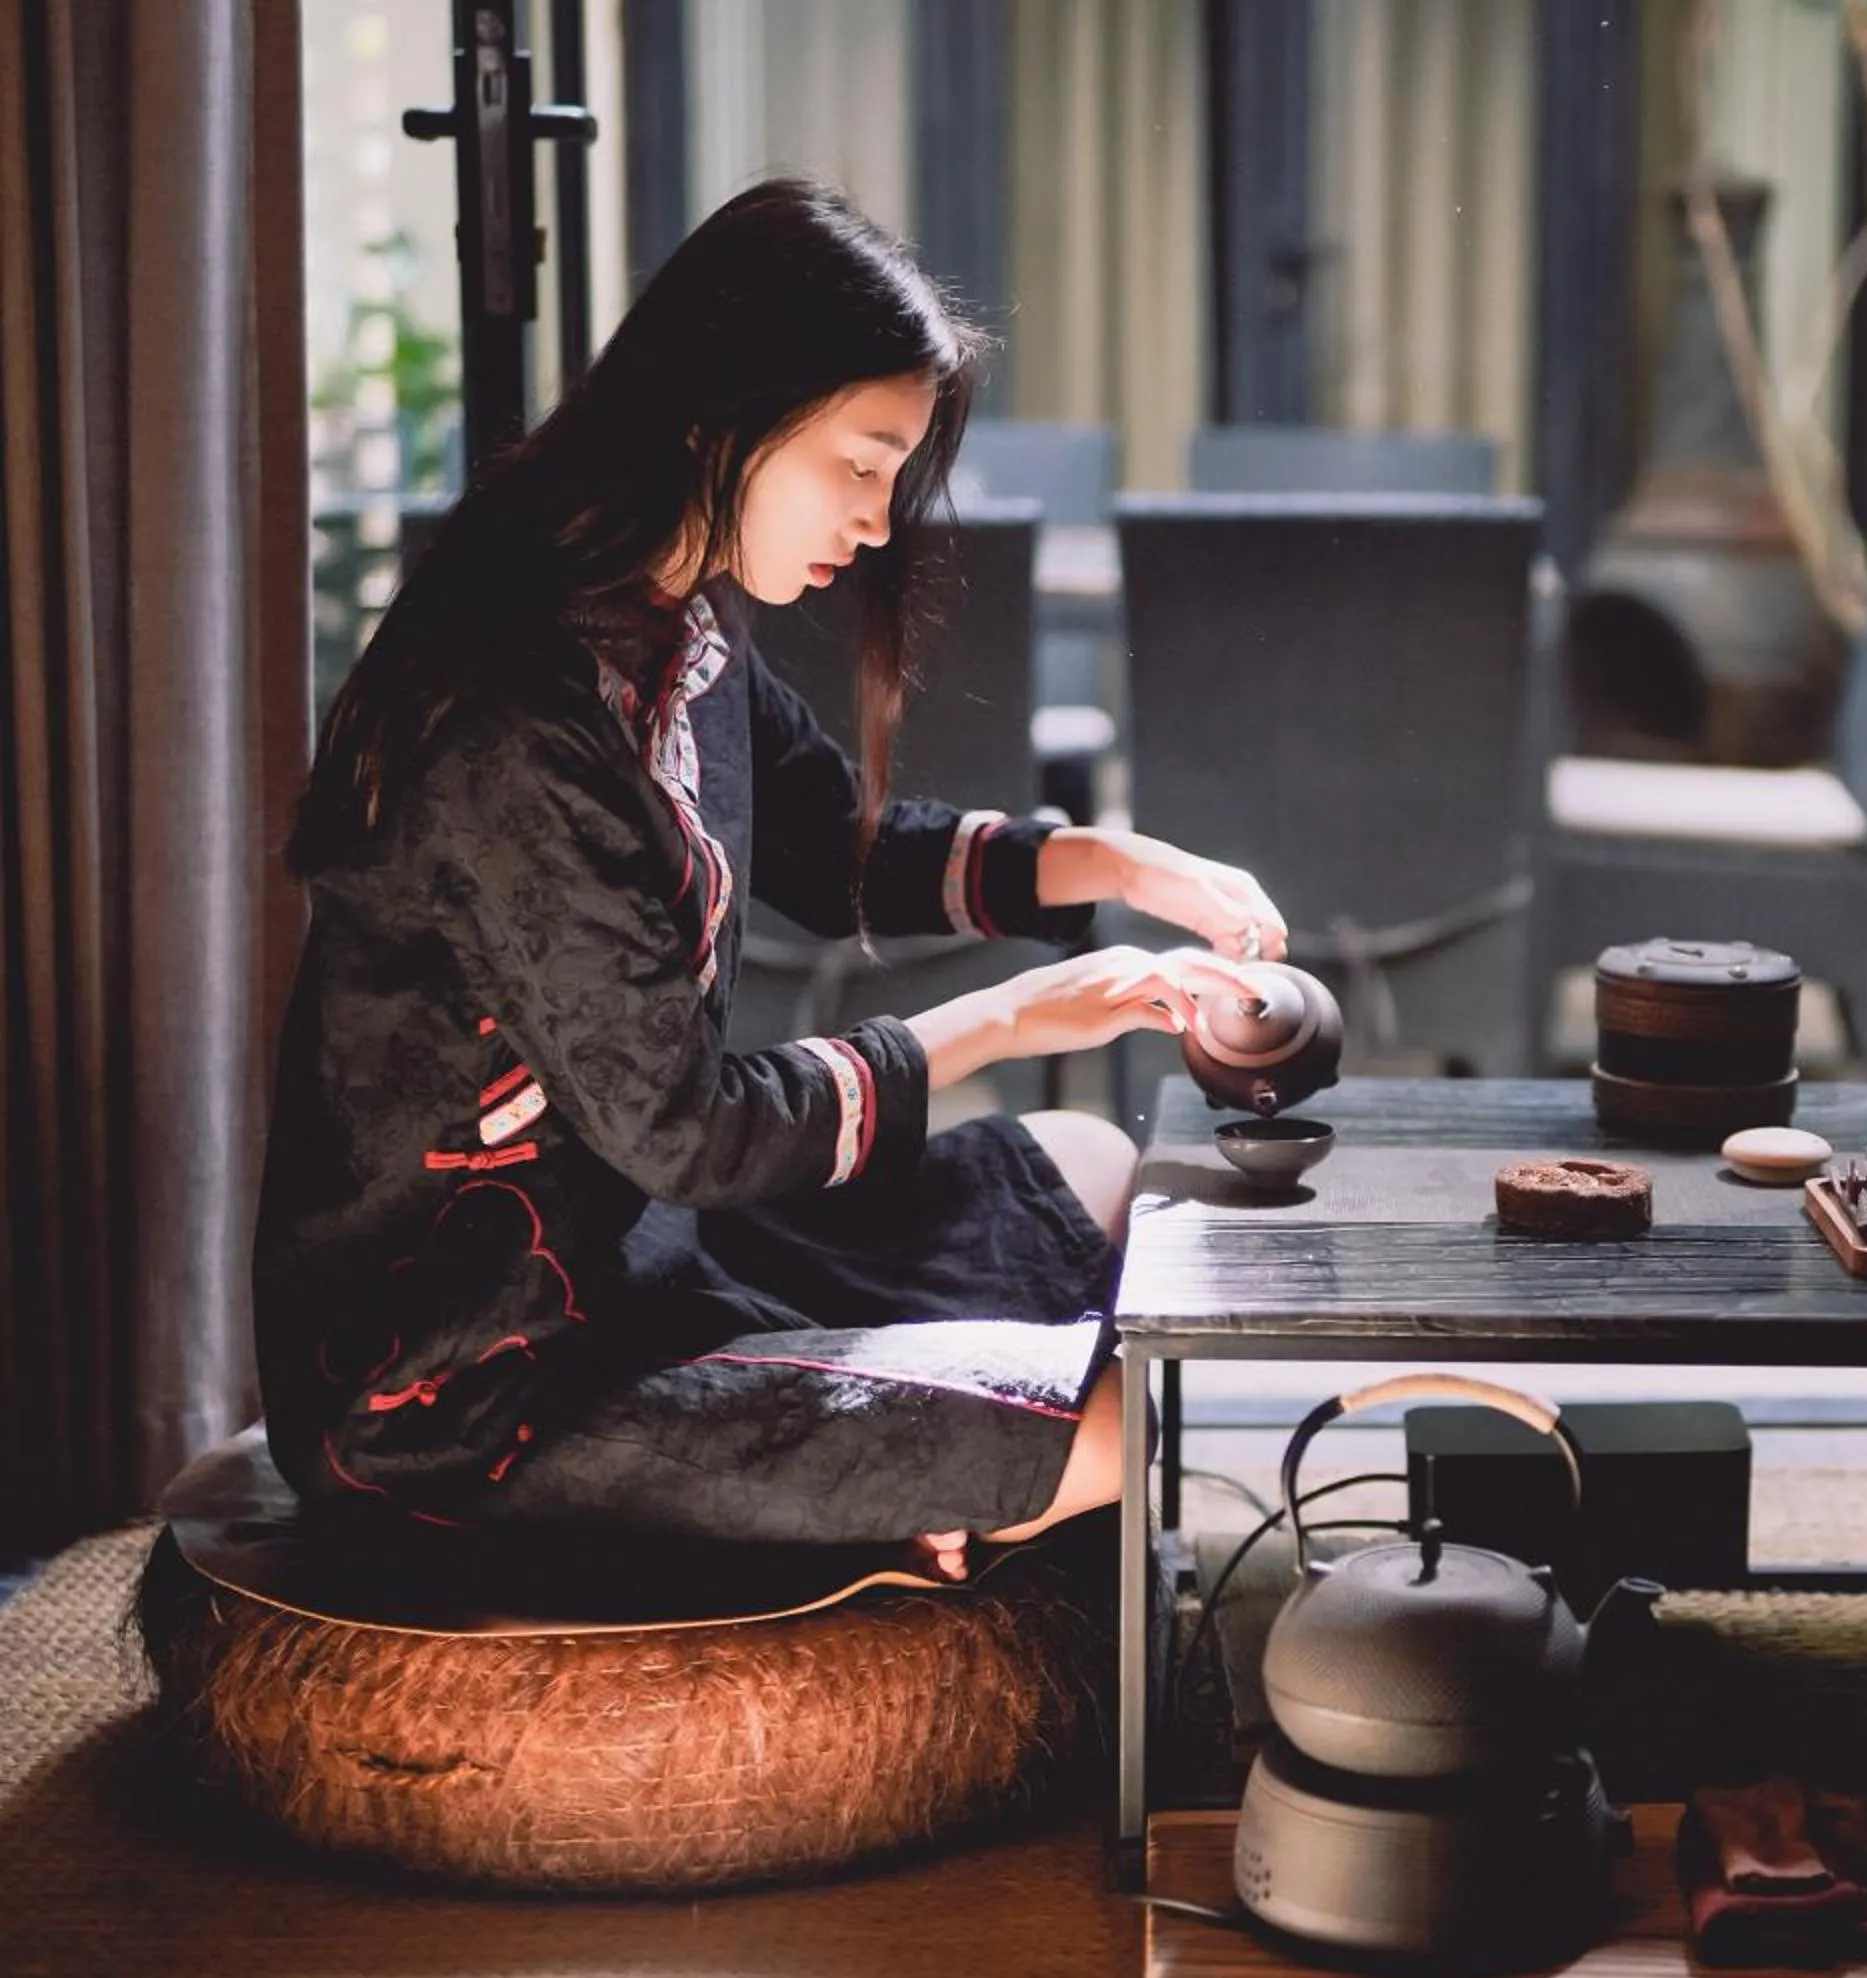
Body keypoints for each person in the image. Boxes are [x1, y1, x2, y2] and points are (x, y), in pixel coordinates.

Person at [257, 177, 1269, 1582]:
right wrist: (1019, 1020)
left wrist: (1115, 860)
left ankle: (914, 1478)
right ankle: (906, 1492)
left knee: (1098, 1168)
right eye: (859, 462)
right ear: (719, 413)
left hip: (648, 1260)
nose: (876, 517)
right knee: (1128, 1418)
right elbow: (689, 1133)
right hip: (475, 1386)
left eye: (894, 473)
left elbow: (833, 848)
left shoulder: (674, 621)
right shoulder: (513, 716)